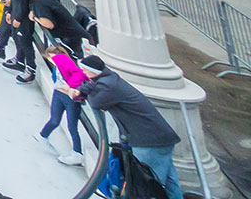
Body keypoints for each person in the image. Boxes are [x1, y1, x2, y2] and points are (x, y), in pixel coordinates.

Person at [78, 53, 185, 197]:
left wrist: (83, 89)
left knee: (147, 184)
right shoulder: (109, 80)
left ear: (93, 72)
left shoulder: (109, 85)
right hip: (159, 138)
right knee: (170, 182)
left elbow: (96, 102)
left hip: (148, 140)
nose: (83, 73)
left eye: (85, 70)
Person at [34, 49, 89, 164]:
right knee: (55, 120)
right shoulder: (57, 67)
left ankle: (77, 153)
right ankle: (43, 136)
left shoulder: (67, 63)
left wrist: (70, 86)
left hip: (70, 98)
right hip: (58, 94)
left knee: (72, 126)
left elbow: (78, 75)